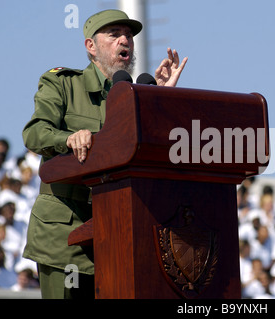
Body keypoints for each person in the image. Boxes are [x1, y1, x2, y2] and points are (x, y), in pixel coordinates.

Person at [21, 9, 187, 299]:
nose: (125, 40)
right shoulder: (62, 83)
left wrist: (159, 98)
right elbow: (34, 134)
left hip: (118, 236)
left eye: (129, 35)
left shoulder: (135, 95)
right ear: (91, 47)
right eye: (114, 34)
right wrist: (69, 138)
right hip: (65, 239)